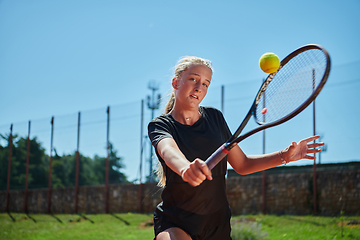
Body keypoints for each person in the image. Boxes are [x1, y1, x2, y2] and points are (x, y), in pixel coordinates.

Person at [148, 56, 324, 240]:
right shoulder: (160, 125)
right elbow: (168, 150)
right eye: (193, 79)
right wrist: (185, 168)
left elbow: (242, 164)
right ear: (176, 82)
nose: (199, 87)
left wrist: (285, 156)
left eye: (206, 83)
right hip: (176, 221)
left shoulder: (215, 118)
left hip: (217, 224)